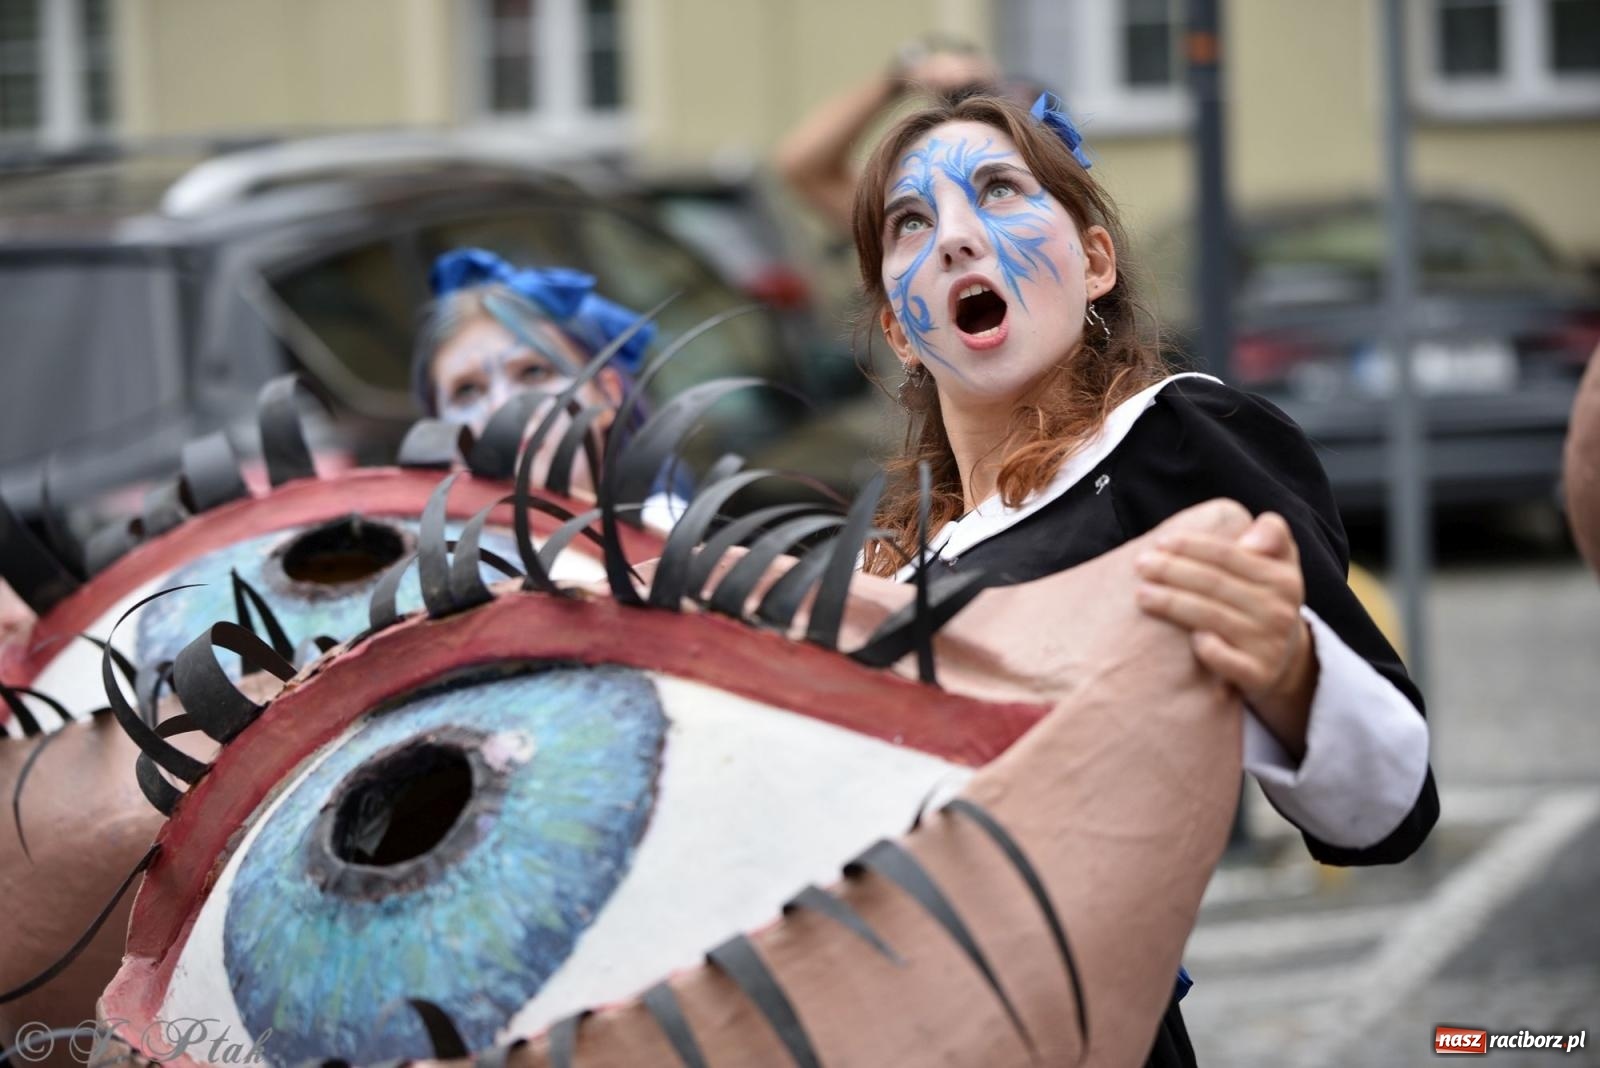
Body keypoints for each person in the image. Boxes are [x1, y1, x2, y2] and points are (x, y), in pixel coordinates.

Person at [850, 92, 1439, 1066]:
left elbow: (1390, 807)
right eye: (912, 222)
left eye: (998, 191)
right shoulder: (886, 562)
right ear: (899, 330)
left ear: (1092, 262)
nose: (954, 237)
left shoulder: (1171, 443)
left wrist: (1289, 670)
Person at [412, 248, 681, 530]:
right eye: (466, 391)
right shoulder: (426, 570)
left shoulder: (683, 546)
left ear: (606, 395)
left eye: (533, 372)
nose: (501, 406)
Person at [774, 39, 1041, 234]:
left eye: (1000, 189)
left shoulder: (1064, 216)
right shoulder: (918, 214)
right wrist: (899, 78)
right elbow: (804, 165)